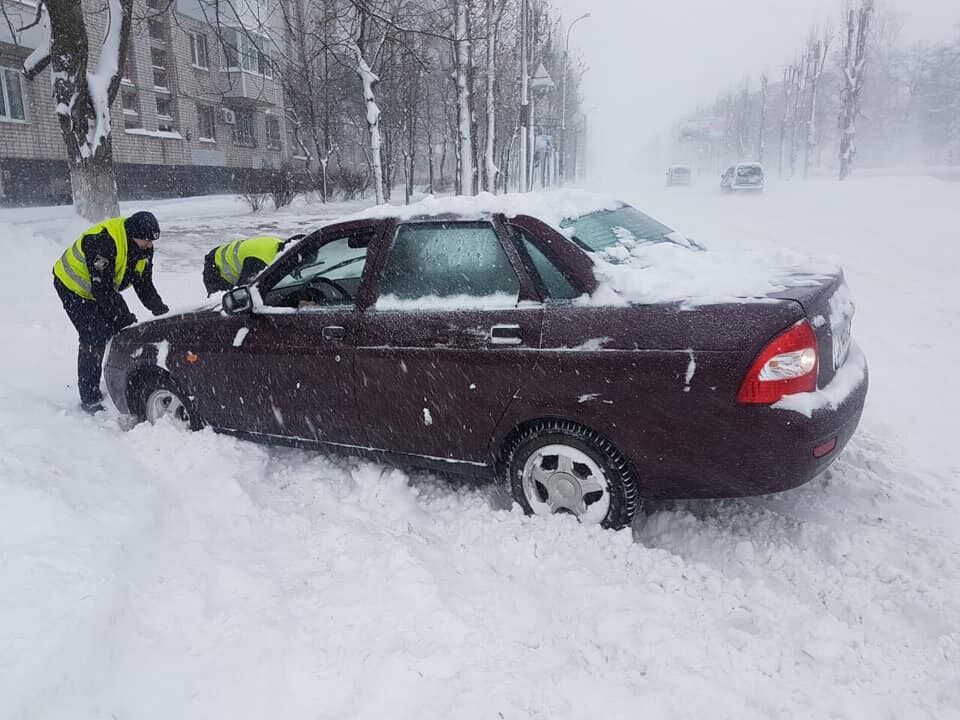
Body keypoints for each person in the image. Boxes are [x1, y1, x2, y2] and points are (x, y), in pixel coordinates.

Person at [53, 211, 169, 414]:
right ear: (133, 234)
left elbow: (144, 284)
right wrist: (126, 319)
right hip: (72, 286)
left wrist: (161, 311)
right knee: (94, 336)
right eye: (146, 240)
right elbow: (103, 290)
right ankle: (90, 398)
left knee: (114, 329)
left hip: (99, 288)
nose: (150, 245)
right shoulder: (103, 242)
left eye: (152, 240)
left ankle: (117, 377)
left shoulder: (143, 248)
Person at [202, 235, 296, 296]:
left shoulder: (279, 245)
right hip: (216, 268)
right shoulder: (259, 261)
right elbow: (245, 289)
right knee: (227, 305)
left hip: (222, 258)